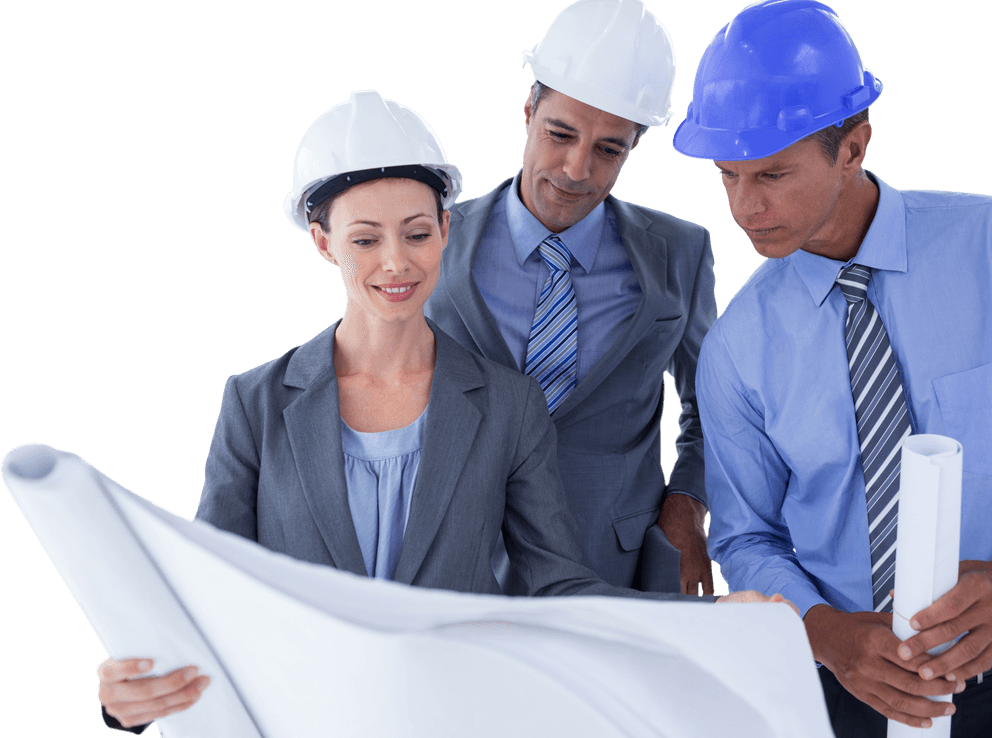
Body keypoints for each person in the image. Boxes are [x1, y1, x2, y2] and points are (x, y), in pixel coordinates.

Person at [95, 89, 790, 733]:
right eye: (366, 238)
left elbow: (558, 584)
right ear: (323, 240)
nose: (396, 262)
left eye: (417, 233)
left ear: (445, 232)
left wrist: (712, 624)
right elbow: (209, 586)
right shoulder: (256, 403)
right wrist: (129, 689)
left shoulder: (507, 404)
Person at [673, 1, 992, 737]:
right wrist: (829, 636)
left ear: (853, 147)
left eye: (771, 175)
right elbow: (747, 538)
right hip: (853, 692)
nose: (744, 208)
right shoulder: (737, 349)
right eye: (727, 177)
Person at [425, 0, 718, 597]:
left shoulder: (679, 252)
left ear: (634, 146)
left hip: (616, 562)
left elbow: (716, 409)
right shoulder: (432, 241)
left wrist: (687, 506)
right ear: (528, 112)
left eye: (609, 149)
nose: (577, 169)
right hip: (450, 558)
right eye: (560, 135)